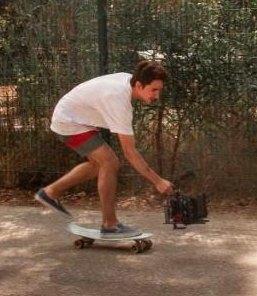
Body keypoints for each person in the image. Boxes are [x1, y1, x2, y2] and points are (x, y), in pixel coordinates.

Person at [34, 59, 174, 236]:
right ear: (138, 85)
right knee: (110, 162)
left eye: (158, 90)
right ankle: (110, 224)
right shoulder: (119, 101)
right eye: (154, 90)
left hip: (73, 117)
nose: (156, 96)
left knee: (98, 164)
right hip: (69, 121)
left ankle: (50, 193)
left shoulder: (128, 82)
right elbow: (130, 153)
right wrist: (158, 181)